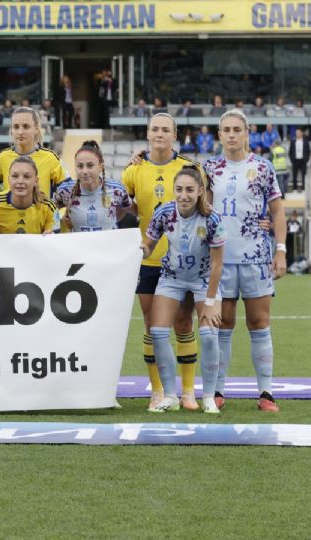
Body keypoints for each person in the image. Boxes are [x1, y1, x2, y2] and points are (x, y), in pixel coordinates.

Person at [203, 109, 286, 412]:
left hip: (256, 257)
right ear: (219, 134)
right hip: (220, 259)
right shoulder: (209, 167)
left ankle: (266, 392)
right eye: (226, 130)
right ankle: (219, 391)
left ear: (247, 132)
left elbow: (277, 212)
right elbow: (203, 207)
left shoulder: (263, 168)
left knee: (259, 322)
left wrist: (280, 249)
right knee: (222, 324)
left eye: (237, 129)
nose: (232, 134)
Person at [123, 113, 204, 409]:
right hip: (148, 260)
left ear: (175, 134)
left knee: (184, 323)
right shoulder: (134, 170)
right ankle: (157, 390)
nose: (159, 134)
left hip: (184, 263)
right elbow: (124, 210)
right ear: (147, 133)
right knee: (150, 325)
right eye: (155, 129)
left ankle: (188, 391)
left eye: (165, 130)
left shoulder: (190, 169)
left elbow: (205, 210)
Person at [141, 165, 226, 414]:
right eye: (179, 189)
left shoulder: (212, 218)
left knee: (209, 334)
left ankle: (208, 396)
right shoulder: (164, 213)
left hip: (203, 280)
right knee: (157, 332)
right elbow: (149, 243)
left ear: (200, 191)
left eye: (190, 189)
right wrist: (138, 250)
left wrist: (210, 300)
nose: (184, 195)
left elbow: (218, 263)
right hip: (172, 277)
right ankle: (169, 396)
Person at [53, 141, 131, 232]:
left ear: (100, 167)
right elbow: (50, 209)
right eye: (80, 166)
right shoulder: (65, 190)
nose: (84, 171)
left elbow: (127, 207)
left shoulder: (117, 189)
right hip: (78, 245)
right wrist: (56, 224)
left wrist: (113, 220)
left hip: (108, 245)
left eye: (90, 166)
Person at [0, 107, 69, 198]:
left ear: (36, 129)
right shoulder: (3, 157)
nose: (20, 132)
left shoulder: (50, 157)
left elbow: (68, 191)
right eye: (16, 127)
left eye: (26, 126)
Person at [0, 156, 57, 234]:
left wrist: (52, 236)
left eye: (27, 177)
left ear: (36, 181)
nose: (20, 181)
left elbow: (55, 240)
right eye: (15, 176)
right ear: (8, 179)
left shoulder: (48, 207)